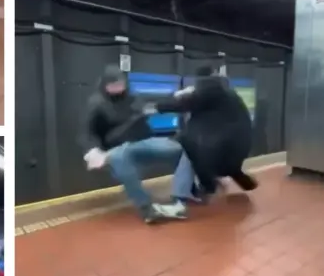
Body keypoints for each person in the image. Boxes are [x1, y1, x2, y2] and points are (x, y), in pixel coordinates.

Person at [81, 65, 190, 224]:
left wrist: (176, 96)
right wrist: (92, 150)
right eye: (114, 85)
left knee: (183, 150)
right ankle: (146, 208)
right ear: (105, 85)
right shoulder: (96, 103)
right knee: (120, 159)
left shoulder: (132, 98)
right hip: (117, 148)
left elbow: (152, 106)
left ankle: (188, 192)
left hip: (144, 142)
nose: (119, 88)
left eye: (121, 84)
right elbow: (87, 132)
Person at [151, 66, 258, 203]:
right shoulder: (228, 93)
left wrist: (159, 105)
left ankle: (208, 187)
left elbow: (183, 104)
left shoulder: (210, 91)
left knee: (190, 147)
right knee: (226, 164)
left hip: (222, 147)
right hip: (237, 144)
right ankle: (236, 177)